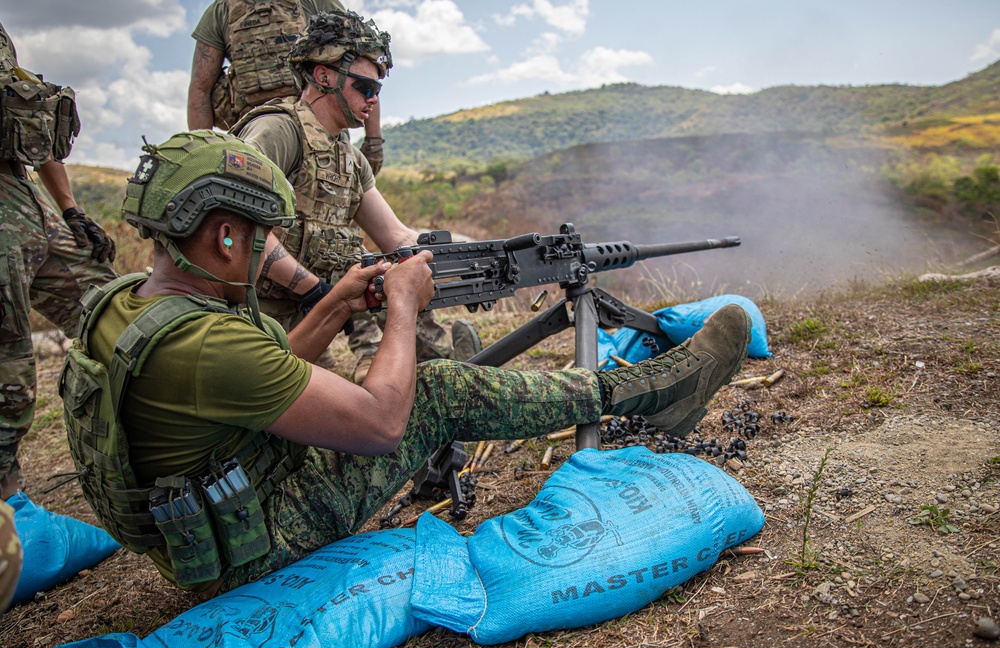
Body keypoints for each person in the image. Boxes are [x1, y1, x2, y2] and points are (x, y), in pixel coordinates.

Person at [60, 130, 751, 594]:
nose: (266, 248)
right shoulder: (207, 345)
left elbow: (256, 381)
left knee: (420, 379)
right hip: (249, 549)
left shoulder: (126, 305)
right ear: (224, 233)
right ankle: (656, 389)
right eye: (261, 236)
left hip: (199, 529)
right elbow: (383, 422)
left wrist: (332, 305)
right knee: (438, 388)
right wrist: (402, 306)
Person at [231, 9, 477, 381]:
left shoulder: (350, 158)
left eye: (378, 90)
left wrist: (467, 258)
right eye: (364, 87)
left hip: (312, 316)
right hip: (252, 322)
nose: (373, 100)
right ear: (323, 75)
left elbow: (396, 237)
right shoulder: (278, 132)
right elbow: (241, 232)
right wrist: (320, 292)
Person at [0, 22, 118, 500]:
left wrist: (71, 210)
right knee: (9, 362)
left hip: (26, 198)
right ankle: (9, 510)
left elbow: (31, 120)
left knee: (111, 309)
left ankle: (151, 446)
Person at [187, 0, 387, 176]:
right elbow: (201, 89)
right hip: (254, 137)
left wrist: (374, 141)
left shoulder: (315, 3)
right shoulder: (222, 11)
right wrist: (202, 157)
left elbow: (362, 69)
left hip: (322, 134)